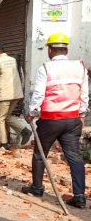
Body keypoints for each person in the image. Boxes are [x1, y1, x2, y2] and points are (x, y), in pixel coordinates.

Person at [23, 33, 88, 208]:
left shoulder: (46, 68)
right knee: (74, 157)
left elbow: (38, 94)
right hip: (72, 119)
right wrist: (81, 115)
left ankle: (37, 187)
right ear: (66, 50)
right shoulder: (79, 66)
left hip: (50, 119)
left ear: (50, 50)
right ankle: (80, 196)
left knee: (40, 154)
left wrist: (32, 113)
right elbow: (84, 94)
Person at [0, 43, 31, 150]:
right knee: (6, 116)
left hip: (4, 94)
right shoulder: (12, 60)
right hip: (15, 94)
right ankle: (24, 131)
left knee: (0, 118)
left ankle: (4, 143)